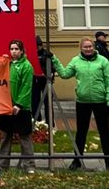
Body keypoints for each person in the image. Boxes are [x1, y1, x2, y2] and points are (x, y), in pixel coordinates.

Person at [51, 37, 109, 170]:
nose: (88, 49)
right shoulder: (76, 61)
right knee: (81, 132)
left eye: (90, 46)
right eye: (85, 47)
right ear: (80, 48)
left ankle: (107, 161)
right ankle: (77, 160)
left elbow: (108, 81)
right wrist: (55, 60)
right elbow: (65, 74)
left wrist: (108, 99)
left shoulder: (103, 61)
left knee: (104, 132)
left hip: (100, 102)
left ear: (93, 47)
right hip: (82, 102)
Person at [0, 39, 35, 174]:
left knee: (25, 137)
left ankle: (29, 165)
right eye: (12, 49)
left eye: (16, 49)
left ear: (21, 51)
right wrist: (1, 62)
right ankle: (3, 165)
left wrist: (19, 104)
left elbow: (26, 87)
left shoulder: (26, 66)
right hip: (6, 106)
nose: (14, 52)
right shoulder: (7, 64)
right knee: (5, 137)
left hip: (22, 108)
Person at [31, 36, 53, 125]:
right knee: (34, 102)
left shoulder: (47, 54)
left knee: (48, 102)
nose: (37, 48)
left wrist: (50, 74)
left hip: (45, 81)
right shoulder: (31, 54)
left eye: (39, 46)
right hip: (34, 80)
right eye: (36, 46)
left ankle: (50, 122)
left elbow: (53, 66)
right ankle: (37, 121)